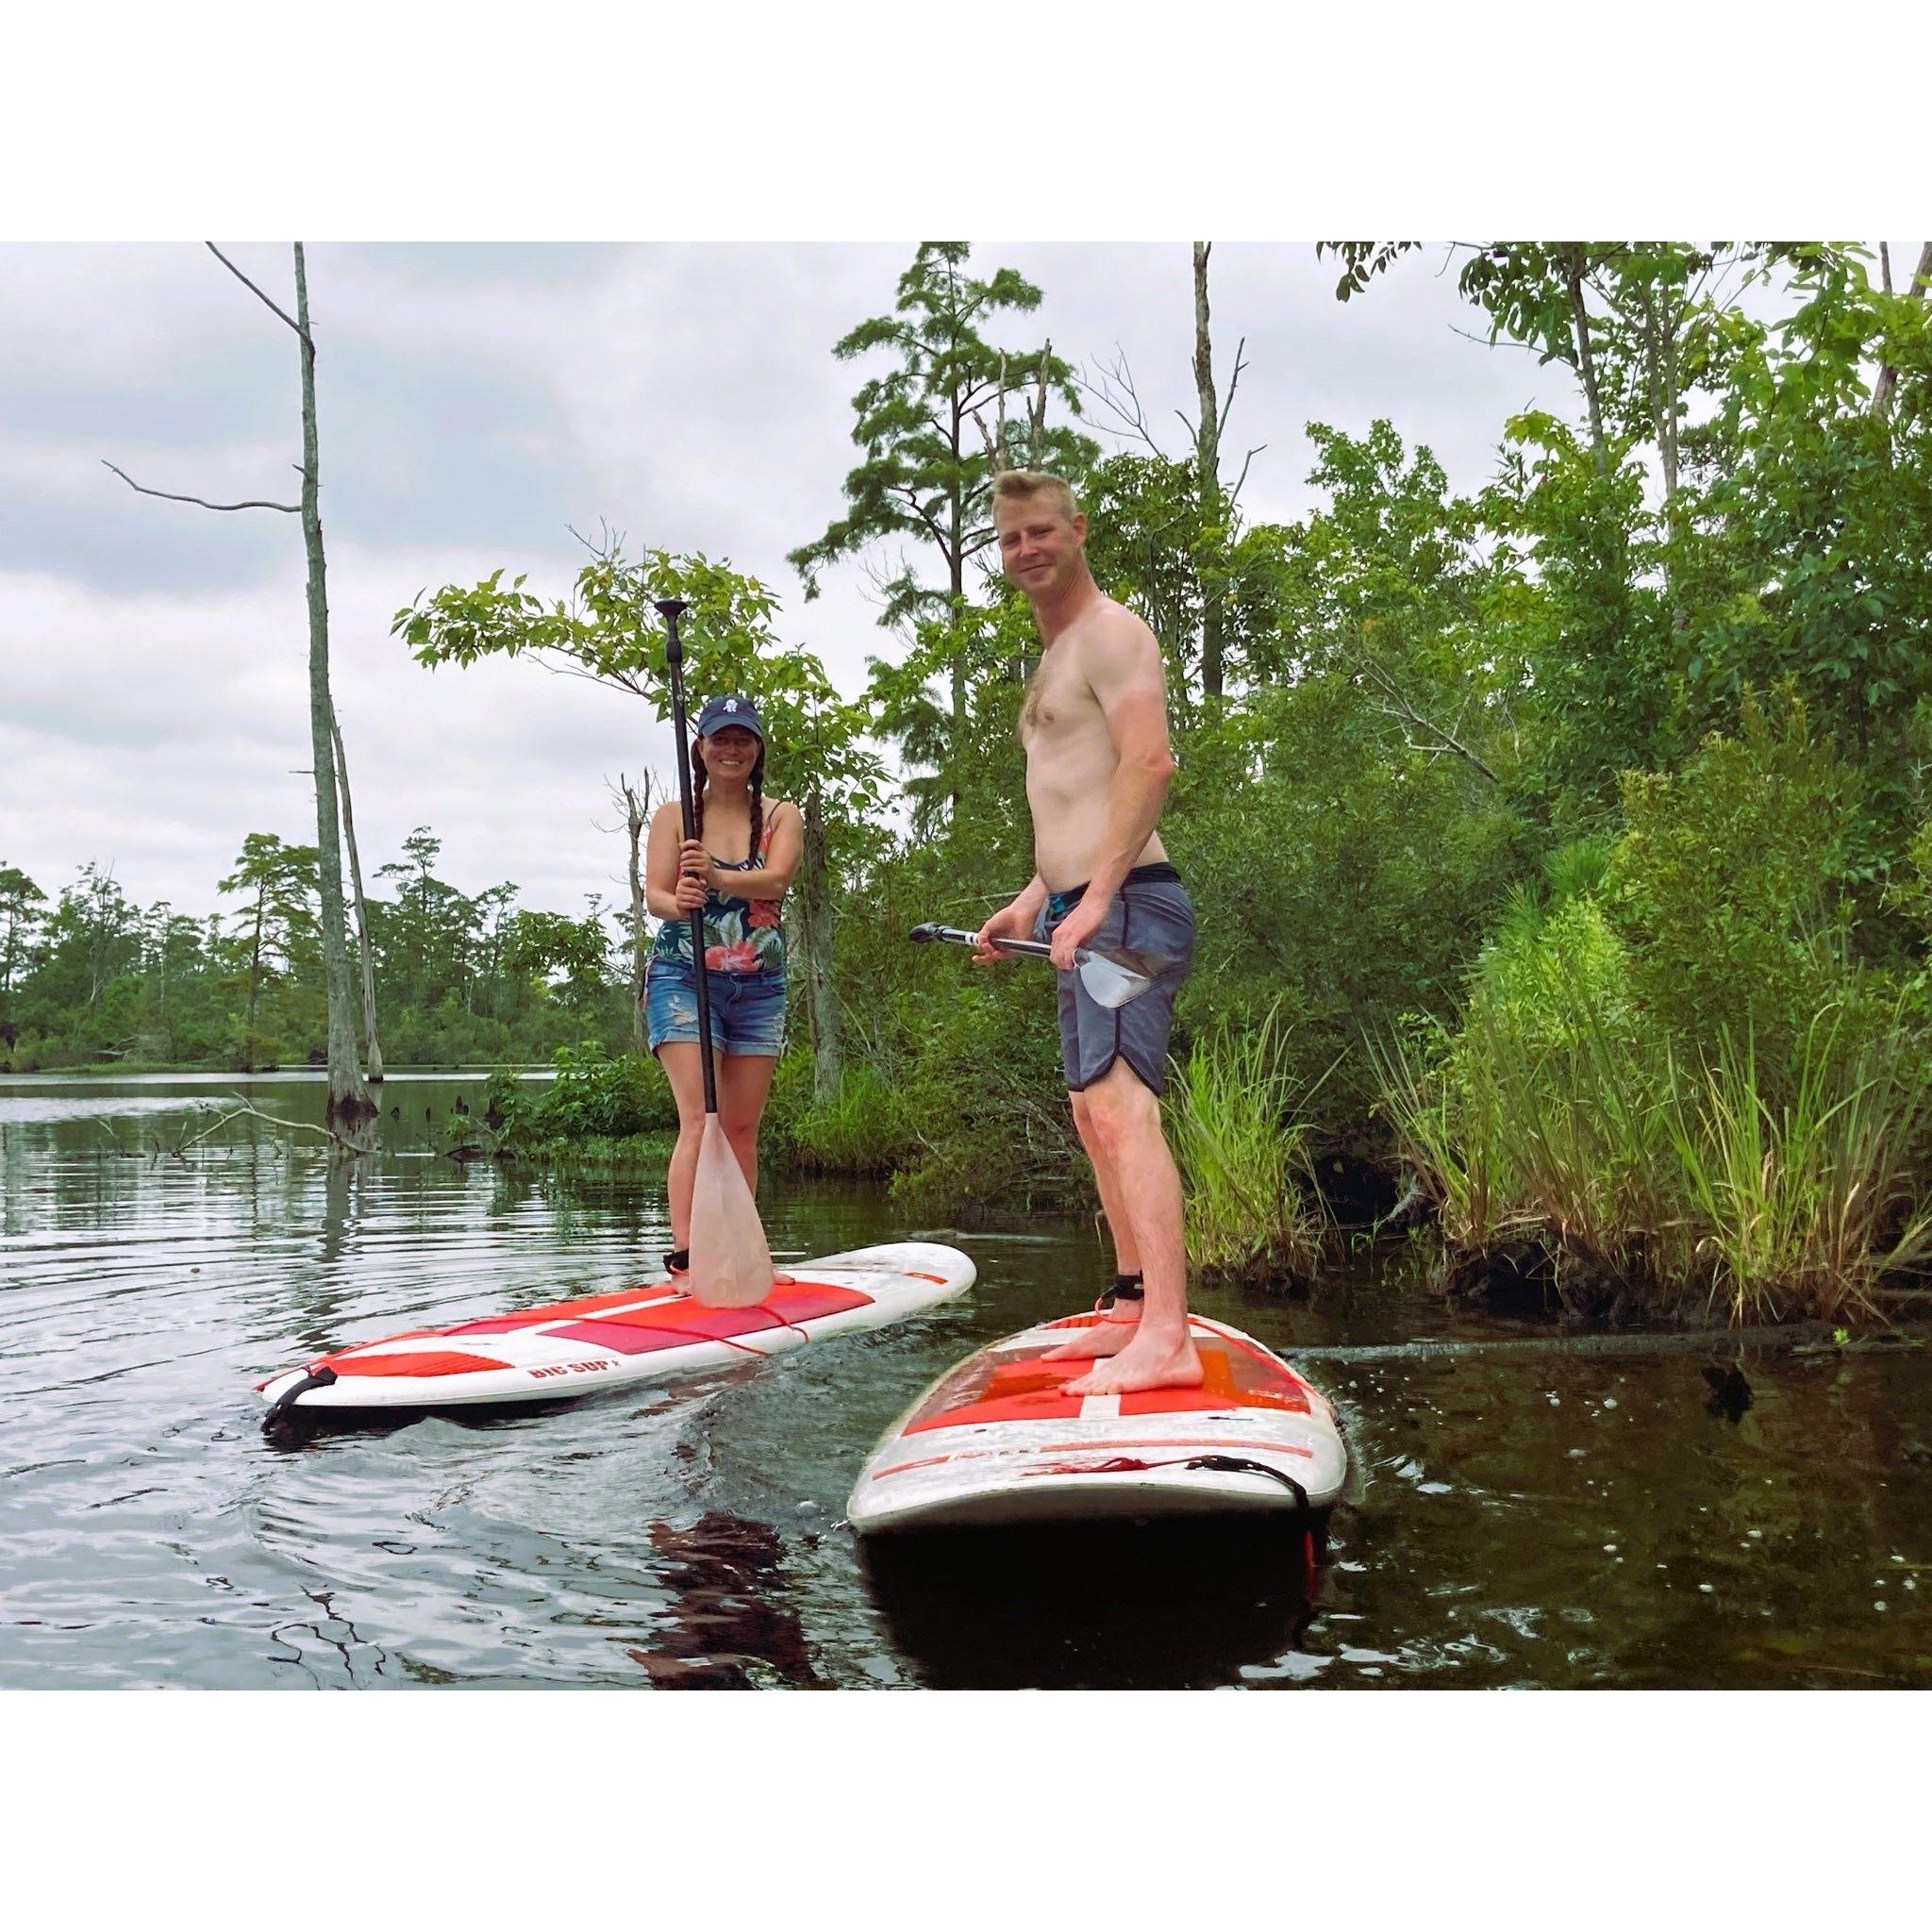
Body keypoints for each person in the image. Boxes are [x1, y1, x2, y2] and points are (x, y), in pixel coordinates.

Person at [974, 470, 1201, 1395]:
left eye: (1039, 531)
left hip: (1132, 901)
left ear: (1076, 529)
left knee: (1119, 1106)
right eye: (1008, 538)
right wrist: (1035, 896)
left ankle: (1170, 1333)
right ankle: (1127, 1303)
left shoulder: (1112, 633)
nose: (1025, 549)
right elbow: (1080, 796)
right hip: (1080, 906)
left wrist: (1100, 892)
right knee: (1087, 1110)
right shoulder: (1055, 653)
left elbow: (1149, 763)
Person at [641, 695, 801, 1277]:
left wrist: (713, 876)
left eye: (742, 739)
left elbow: (778, 878)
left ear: (757, 749)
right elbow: (656, 895)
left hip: (759, 986)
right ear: (701, 748)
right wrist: (677, 900)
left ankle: (738, 1255)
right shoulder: (675, 818)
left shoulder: (783, 815)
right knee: (700, 1119)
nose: (731, 749)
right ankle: (688, 1261)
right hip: (684, 979)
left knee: (740, 1128)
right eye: (720, 739)